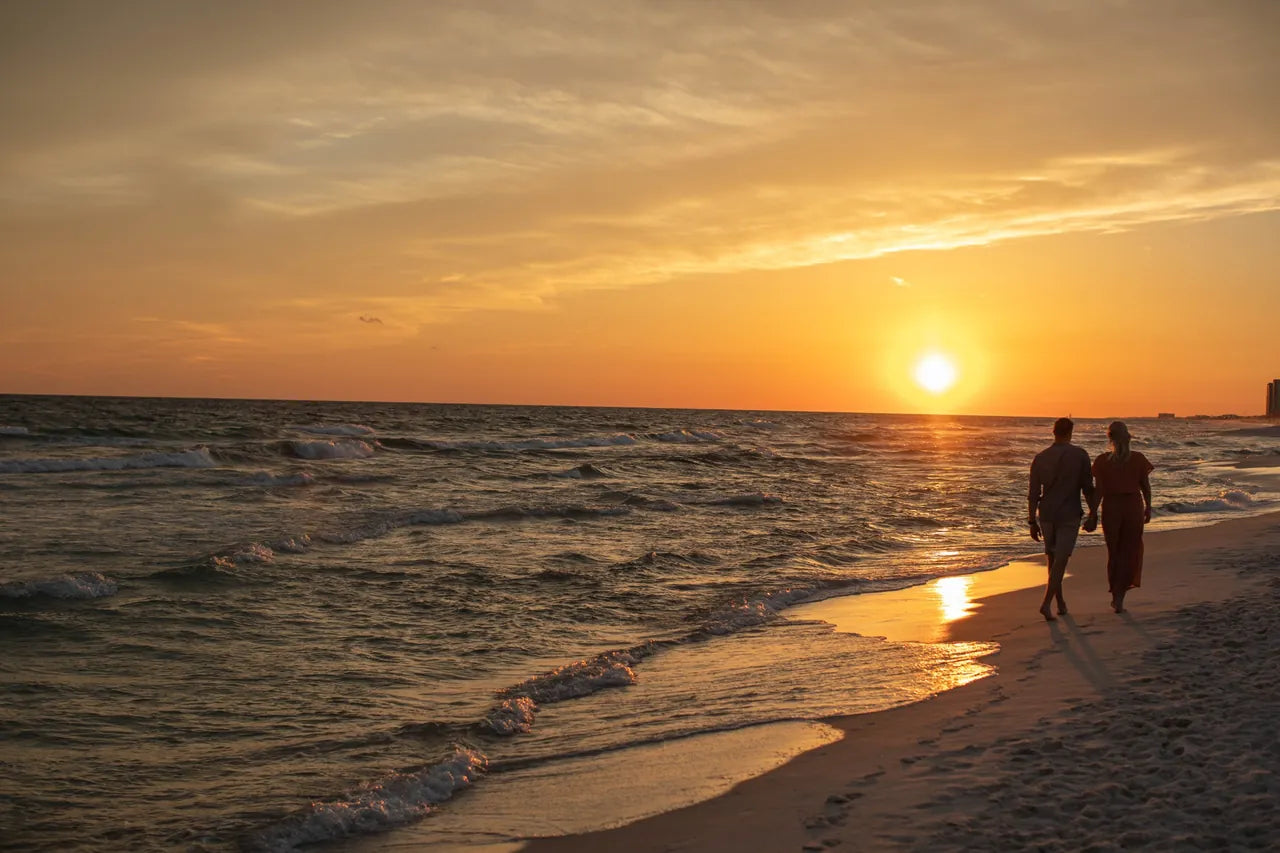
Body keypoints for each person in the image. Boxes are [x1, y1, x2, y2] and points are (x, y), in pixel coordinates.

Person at [1028, 417, 1097, 621]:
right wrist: (1094, 513)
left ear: (1053, 432)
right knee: (1061, 559)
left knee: (1053, 558)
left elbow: (1033, 493)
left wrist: (1032, 520)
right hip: (1069, 512)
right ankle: (1047, 603)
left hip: (1047, 513)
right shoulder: (1080, 455)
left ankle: (1060, 603)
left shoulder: (1040, 458)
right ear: (1071, 432)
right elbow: (1087, 488)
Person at [1089, 421, 1153, 613]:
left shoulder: (1102, 461)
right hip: (1133, 505)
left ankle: (1116, 595)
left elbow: (1098, 491)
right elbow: (1145, 486)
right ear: (1128, 437)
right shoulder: (1138, 459)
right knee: (1130, 550)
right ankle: (1120, 597)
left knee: (1114, 551)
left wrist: (1092, 513)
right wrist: (1149, 507)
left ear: (1110, 438)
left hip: (1111, 507)